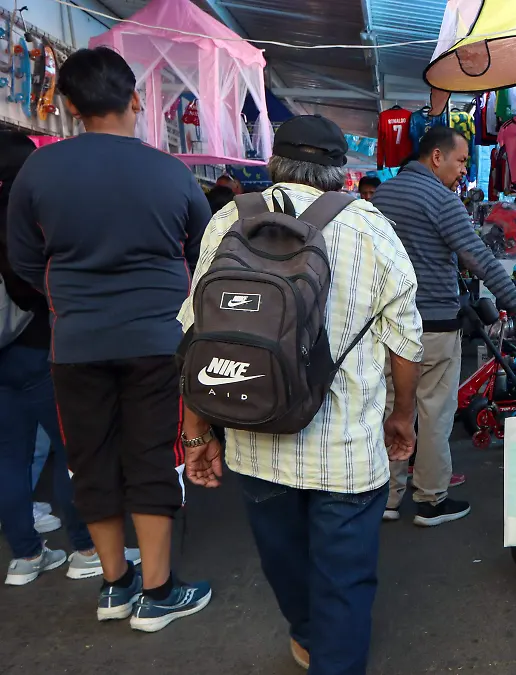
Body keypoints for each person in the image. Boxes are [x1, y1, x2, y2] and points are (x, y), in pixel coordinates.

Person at [180, 115, 423, 674]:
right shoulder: (369, 226)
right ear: (341, 171)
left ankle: (307, 635)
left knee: (283, 559)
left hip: (254, 434)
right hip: (345, 447)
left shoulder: (229, 221)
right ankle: (333, 656)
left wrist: (197, 432)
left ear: (273, 163)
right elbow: (407, 343)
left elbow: (196, 335)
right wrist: (403, 416)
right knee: (345, 576)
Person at [6, 47, 211, 630]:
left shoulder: (38, 170)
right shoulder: (171, 172)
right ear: (136, 100)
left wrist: (66, 300)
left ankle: (115, 586)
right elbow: (205, 252)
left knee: (89, 460)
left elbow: (22, 258)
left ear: (69, 107)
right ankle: (159, 591)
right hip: (157, 339)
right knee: (153, 456)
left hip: (75, 341)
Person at [372, 125, 516, 526]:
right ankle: (431, 501)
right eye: (461, 160)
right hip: (433, 325)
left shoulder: (384, 195)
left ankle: (388, 496)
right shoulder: (442, 200)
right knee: (434, 413)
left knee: (392, 410)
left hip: (387, 326)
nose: (463, 170)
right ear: (437, 157)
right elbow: (482, 262)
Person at [0, 130, 131, 586]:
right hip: (40, 344)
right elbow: (32, 277)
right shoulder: (29, 216)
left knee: (10, 456)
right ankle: (85, 547)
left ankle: (25, 555)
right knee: (75, 447)